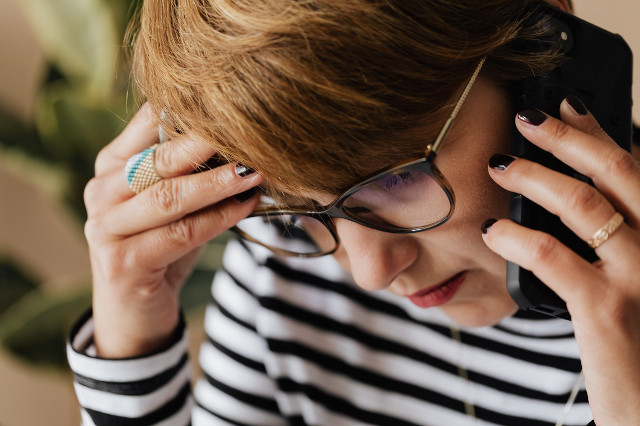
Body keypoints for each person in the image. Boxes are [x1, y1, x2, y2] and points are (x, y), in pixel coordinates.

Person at [66, 0, 640, 424]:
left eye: (397, 176)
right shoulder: (288, 267)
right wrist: (129, 339)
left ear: (546, 51)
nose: (370, 273)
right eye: (294, 209)